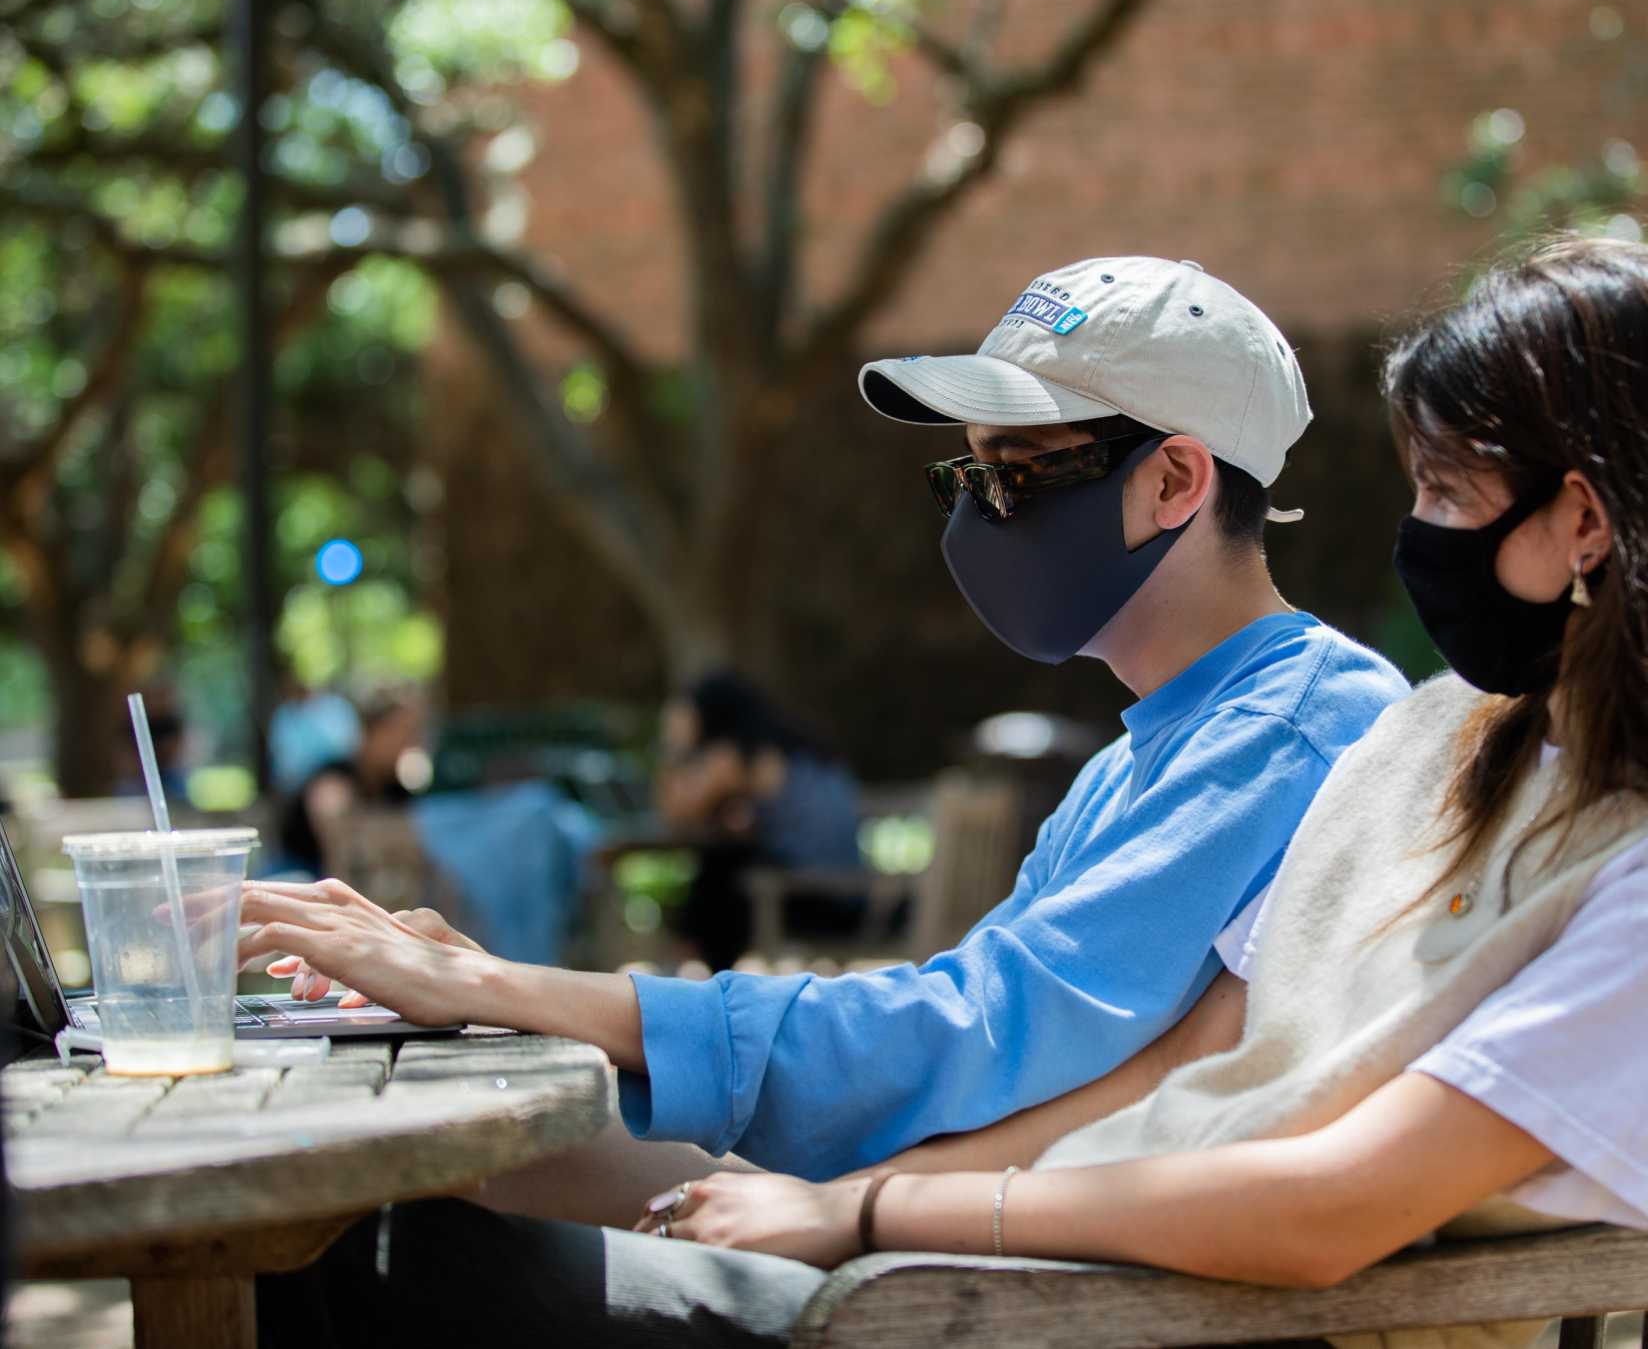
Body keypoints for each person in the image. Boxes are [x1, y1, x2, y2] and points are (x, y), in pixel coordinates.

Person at [253, 237, 1648, 1348]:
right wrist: (862, 1209)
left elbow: (1329, 1203)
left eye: (1448, 493)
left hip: (1138, 1316)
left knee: (381, 1272)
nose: (1419, 541)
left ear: (1590, 524)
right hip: (1038, 1274)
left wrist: (877, 1208)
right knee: (357, 1240)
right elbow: (1201, 1062)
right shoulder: (1450, 741)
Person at [239, 255, 1409, 1190]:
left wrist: (514, 991)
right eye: (966, 476)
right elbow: (971, 1041)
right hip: (933, 1234)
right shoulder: (1148, 752)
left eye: (1017, 472)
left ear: (1173, 482)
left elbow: (977, 1041)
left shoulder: (1299, 732)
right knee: (383, 1184)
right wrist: (488, 988)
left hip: (1007, 1293)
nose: (977, 513)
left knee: (375, 1256)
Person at [654, 671, 866, 971]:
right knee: (726, 870)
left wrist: (675, 749)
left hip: (819, 897)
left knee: (721, 870)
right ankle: (703, 970)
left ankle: (697, 971)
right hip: (843, 893)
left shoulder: (741, 755)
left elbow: (679, 811)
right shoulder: (792, 749)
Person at [271, 688, 427, 879]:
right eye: (402, 732)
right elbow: (339, 847)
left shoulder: (397, 788)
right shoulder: (334, 778)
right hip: (296, 876)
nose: (411, 742)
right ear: (371, 731)